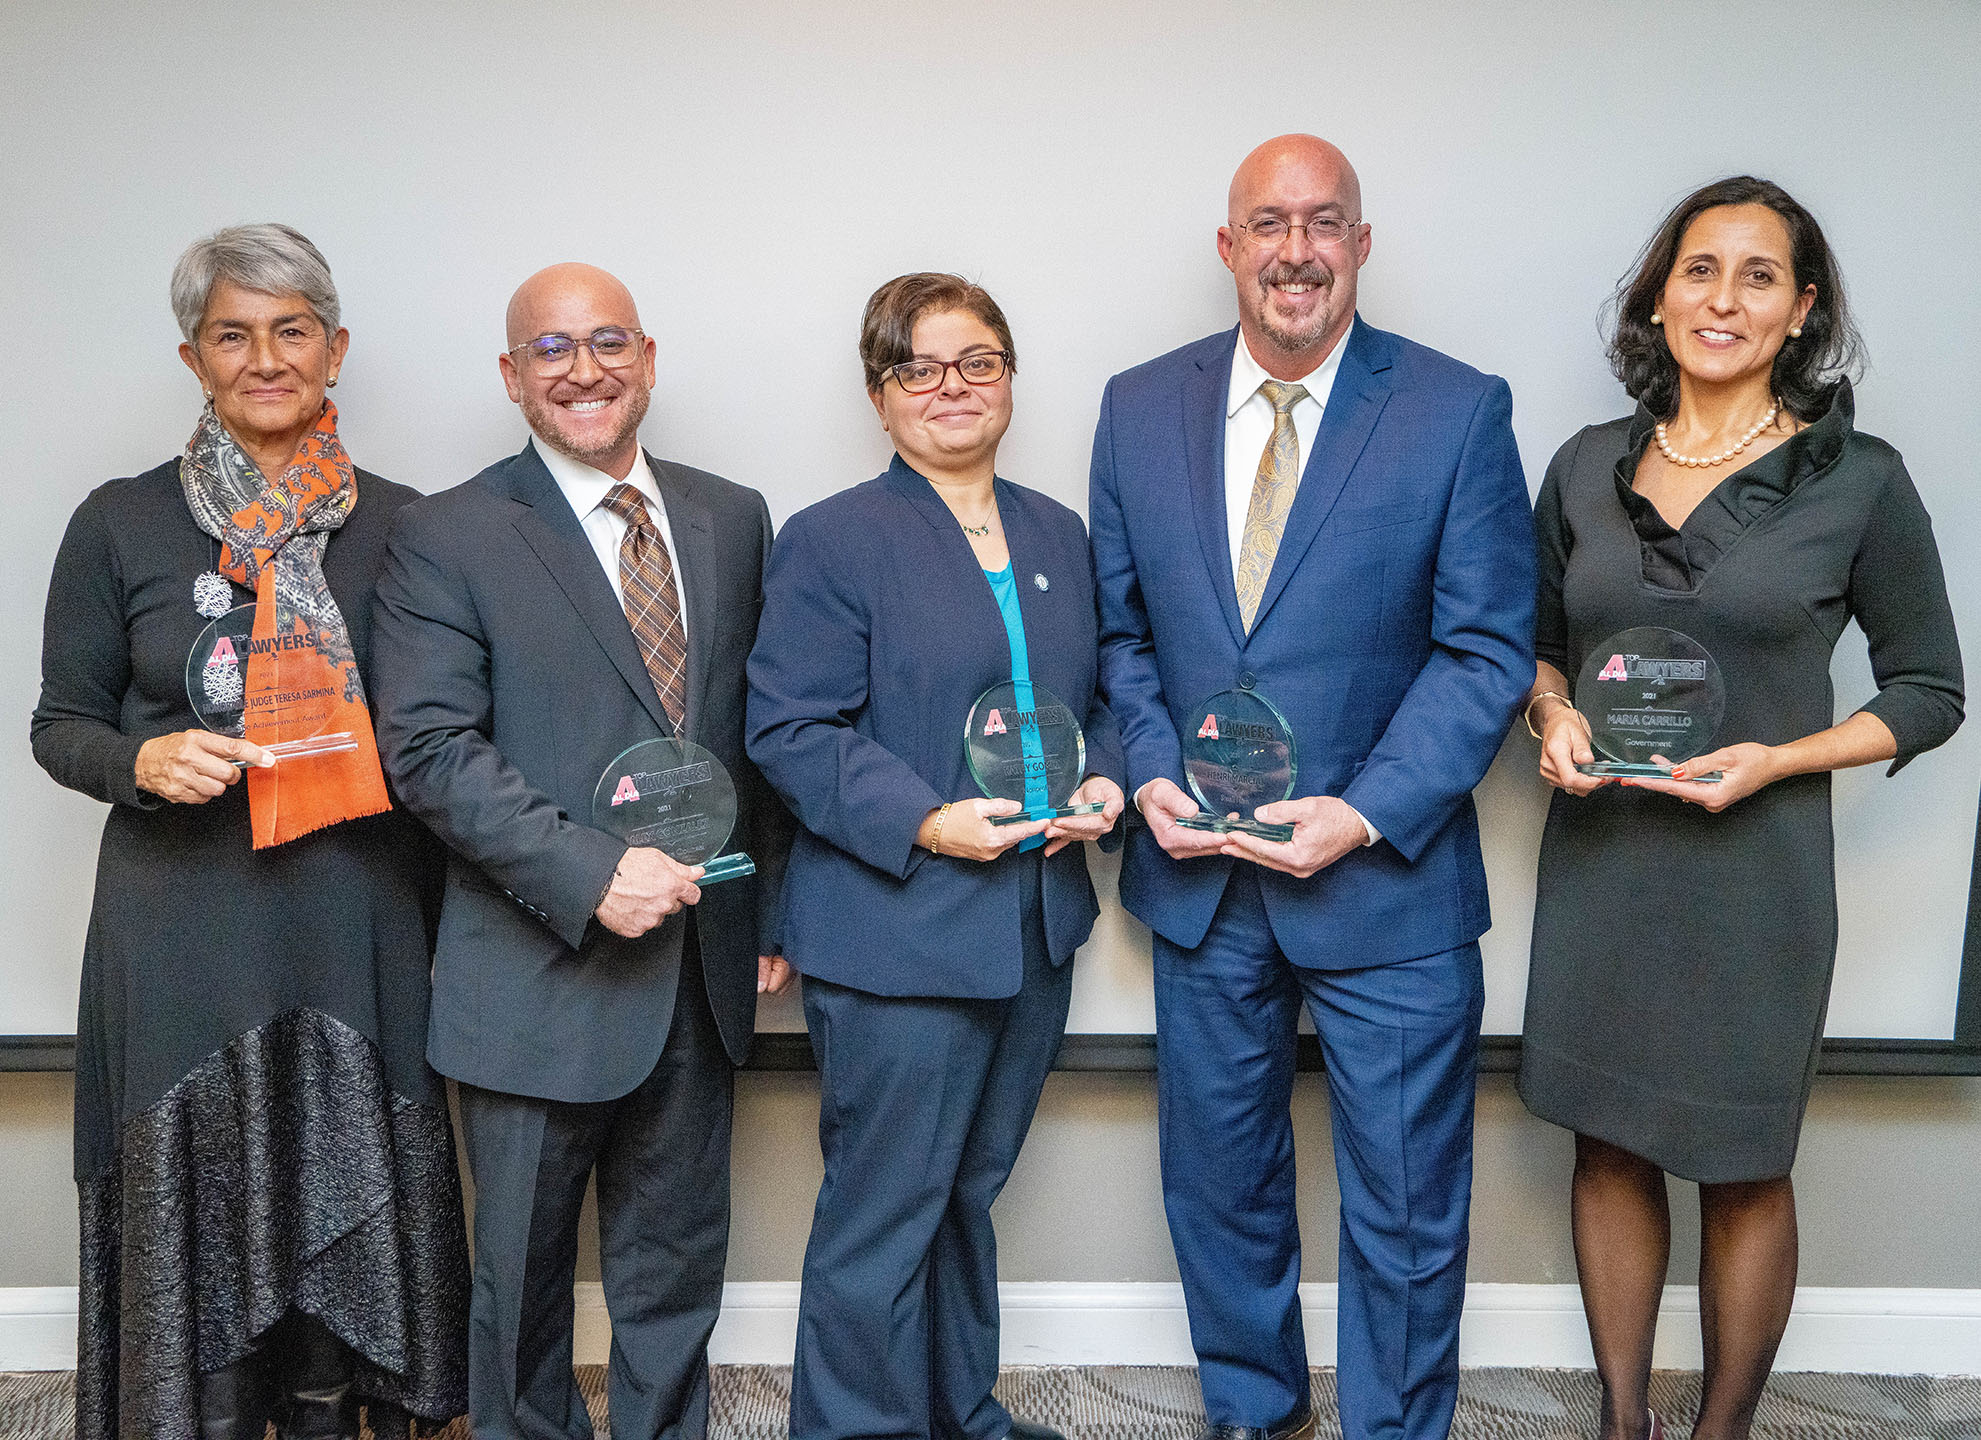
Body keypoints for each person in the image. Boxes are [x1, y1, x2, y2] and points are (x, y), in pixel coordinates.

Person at [1088, 135, 1535, 1440]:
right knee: (1218, 1185)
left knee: (1403, 1204)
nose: (1296, 250)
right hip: (1202, 883)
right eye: (1269, 223)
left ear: (1361, 244)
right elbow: (1121, 635)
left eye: (1324, 222)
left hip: (1385, 884)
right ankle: (1252, 1413)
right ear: (1228, 246)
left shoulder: (1457, 409)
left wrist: (1362, 811)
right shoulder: (1138, 407)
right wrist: (1154, 774)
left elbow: (1486, 648)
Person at [1517, 176, 1963, 1440]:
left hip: (1755, 874)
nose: (1724, 298)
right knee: (1604, 1144)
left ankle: (1720, 1433)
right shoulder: (1584, 467)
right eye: (1700, 270)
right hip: (1603, 861)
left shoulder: (1859, 481)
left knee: (1743, 1165)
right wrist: (1549, 716)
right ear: (1658, 298)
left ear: (1801, 308)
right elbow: (1534, 647)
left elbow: (1930, 691)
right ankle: (1622, 1422)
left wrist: (1780, 759)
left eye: (1759, 275)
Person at [30, 224, 468, 1440]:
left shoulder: (415, 526)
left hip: (358, 914)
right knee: (201, 1202)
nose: (264, 358)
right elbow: (58, 725)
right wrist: (139, 758)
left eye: (290, 330)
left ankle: (337, 1412)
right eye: (233, 334)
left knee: (351, 1185)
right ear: (192, 356)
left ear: (335, 349)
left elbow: (456, 731)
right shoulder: (118, 522)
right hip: (179, 927)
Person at [369, 262, 792, 1440]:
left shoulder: (731, 516)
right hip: (533, 979)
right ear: (512, 378)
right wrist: (589, 873)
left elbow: (754, 740)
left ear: (649, 359)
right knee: (522, 1296)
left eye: (608, 342)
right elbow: (429, 751)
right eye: (551, 350)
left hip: (700, 980)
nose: (584, 369)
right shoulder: (444, 533)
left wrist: (764, 912)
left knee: (673, 1284)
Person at [747, 273, 1126, 1440]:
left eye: (977, 363)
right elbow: (789, 728)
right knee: (884, 1210)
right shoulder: (833, 539)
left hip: (1031, 928)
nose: (950, 388)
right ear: (881, 395)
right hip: (897, 930)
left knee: (965, 1196)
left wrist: (1103, 779)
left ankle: (960, 1414)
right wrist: (924, 819)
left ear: (1010, 379)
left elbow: (1097, 700)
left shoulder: (1058, 532)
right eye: (919, 368)